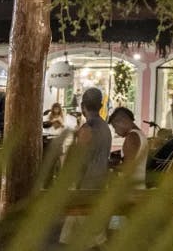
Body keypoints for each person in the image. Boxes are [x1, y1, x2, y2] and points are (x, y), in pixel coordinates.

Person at [59, 88, 113, 244]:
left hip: (85, 183)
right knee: (72, 232)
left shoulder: (87, 129)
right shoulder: (105, 128)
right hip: (99, 180)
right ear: (101, 105)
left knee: (92, 233)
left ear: (83, 106)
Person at [108, 107, 147, 184]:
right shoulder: (140, 134)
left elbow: (128, 167)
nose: (116, 131)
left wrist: (109, 166)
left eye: (115, 127)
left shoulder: (132, 136)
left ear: (123, 121)